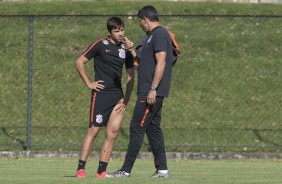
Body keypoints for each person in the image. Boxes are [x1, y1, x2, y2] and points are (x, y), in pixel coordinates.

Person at [107, 5, 174, 178]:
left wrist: (152, 89)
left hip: (150, 93)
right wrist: (131, 48)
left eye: (139, 21)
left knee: (136, 127)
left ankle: (125, 170)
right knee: (153, 129)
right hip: (151, 92)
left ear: (145, 19)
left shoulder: (159, 34)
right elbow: (145, 60)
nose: (139, 25)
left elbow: (162, 62)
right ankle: (162, 170)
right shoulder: (151, 36)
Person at [74, 16, 134, 178]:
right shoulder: (100, 44)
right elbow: (79, 61)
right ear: (110, 32)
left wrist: (126, 99)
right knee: (93, 131)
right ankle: (81, 168)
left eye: (122, 30)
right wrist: (89, 83)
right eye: (117, 31)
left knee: (113, 133)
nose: (120, 33)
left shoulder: (125, 49)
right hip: (101, 95)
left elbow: (131, 76)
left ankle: (101, 171)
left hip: (118, 97)